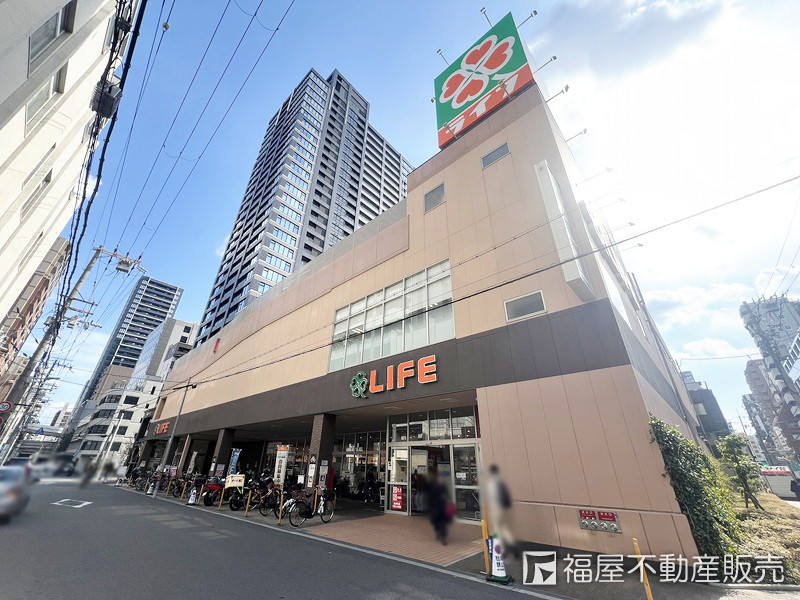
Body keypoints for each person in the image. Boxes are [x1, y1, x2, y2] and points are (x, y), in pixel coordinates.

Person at [486, 464, 519, 559]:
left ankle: (501, 551)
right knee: (504, 528)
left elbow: (492, 497)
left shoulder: (491, 483)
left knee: (497, 529)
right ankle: (513, 546)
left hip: (496, 508)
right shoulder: (501, 482)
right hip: (504, 508)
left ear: (490, 472)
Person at [429, 472, 453, 545]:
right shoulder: (434, 487)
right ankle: (438, 532)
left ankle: (443, 537)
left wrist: (448, 501)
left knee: (443, 522)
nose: (440, 479)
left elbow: (447, 495)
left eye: (441, 478)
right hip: (436, 507)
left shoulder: (443, 486)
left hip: (443, 506)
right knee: (436, 521)